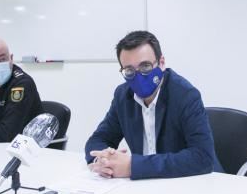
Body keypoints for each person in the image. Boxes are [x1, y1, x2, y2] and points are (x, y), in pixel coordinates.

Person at [85, 30, 222, 179]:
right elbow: (98, 139)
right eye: (129, 70)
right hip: (147, 185)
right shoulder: (123, 96)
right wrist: (102, 161)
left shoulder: (185, 95)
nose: (138, 76)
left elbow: (202, 157)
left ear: (161, 63)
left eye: (145, 66)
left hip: (194, 182)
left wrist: (132, 166)